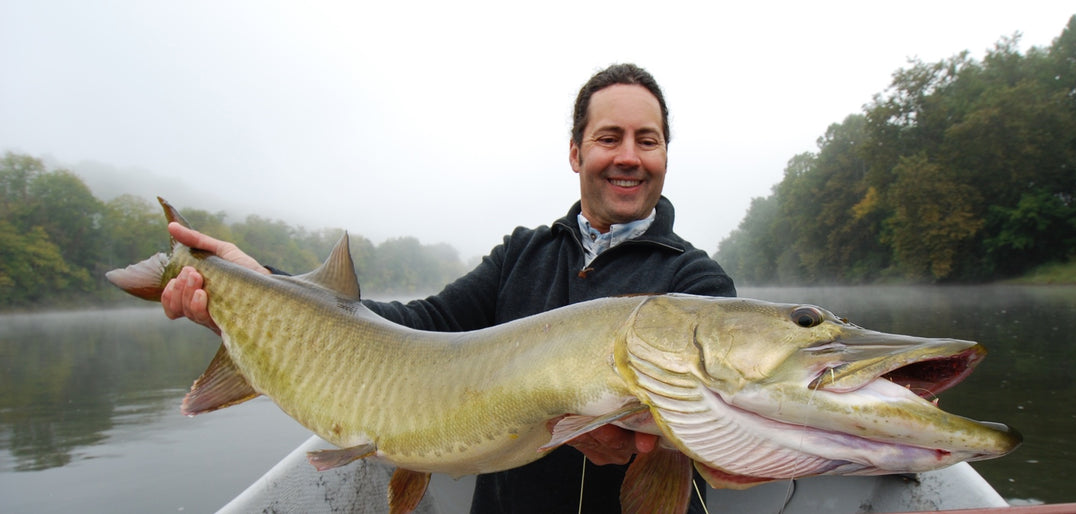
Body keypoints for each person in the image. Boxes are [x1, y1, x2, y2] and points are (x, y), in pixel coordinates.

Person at [160, 63, 737, 513]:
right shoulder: (522, 254)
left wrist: (666, 443)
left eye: (649, 140)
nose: (630, 157)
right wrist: (256, 286)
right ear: (575, 152)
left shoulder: (696, 286)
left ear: (666, 154)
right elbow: (415, 324)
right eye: (610, 137)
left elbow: (727, 433)